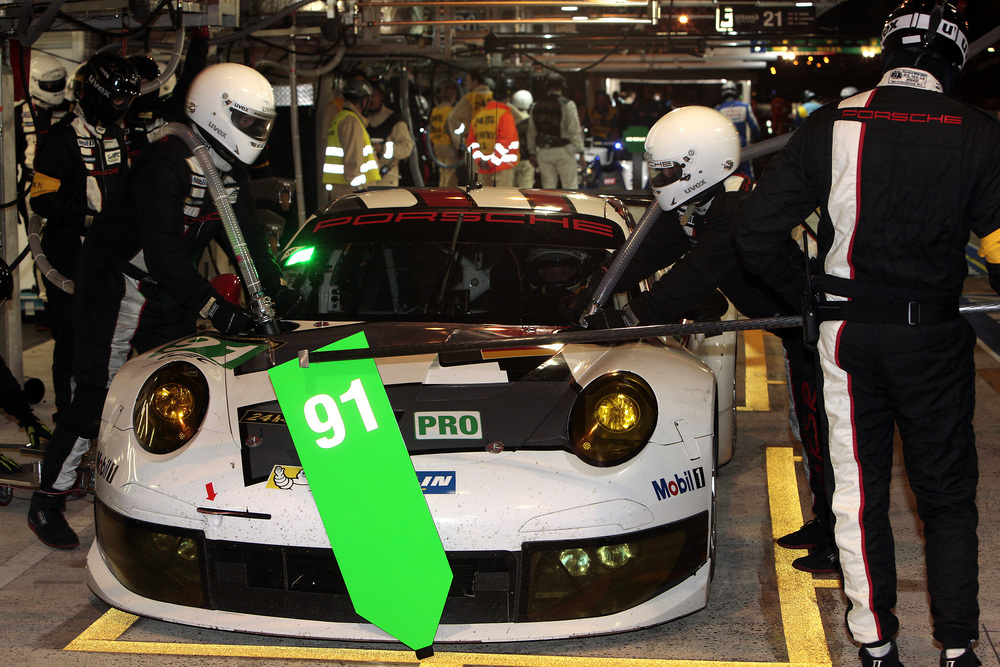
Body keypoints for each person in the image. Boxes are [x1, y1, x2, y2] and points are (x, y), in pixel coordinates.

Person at [734, 3, 998, 665]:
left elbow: (755, 232)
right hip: (933, 339)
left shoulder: (832, 123)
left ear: (888, 52)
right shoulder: (979, 132)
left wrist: (809, 296)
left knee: (857, 492)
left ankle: (876, 644)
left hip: (847, 336)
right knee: (947, 497)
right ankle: (958, 647)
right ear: (954, 60)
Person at [26, 62, 293, 551]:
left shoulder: (225, 169)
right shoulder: (165, 162)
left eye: (262, 125)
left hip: (165, 289)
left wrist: (282, 293)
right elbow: (163, 249)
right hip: (116, 285)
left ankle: (163, 497)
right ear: (215, 113)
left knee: (178, 391)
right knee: (95, 395)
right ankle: (48, 498)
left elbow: (248, 241)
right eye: (248, 122)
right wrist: (214, 308)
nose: (256, 133)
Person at [578, 107, 833, 575]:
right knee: (810, 432)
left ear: (701, 165)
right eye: (658, 171)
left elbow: (694, 276)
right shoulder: (701, 203)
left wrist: (624, 318)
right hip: (797, 331)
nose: (661, 181)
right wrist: (586, 284)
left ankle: (838, 537)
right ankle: (827, 522)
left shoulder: (738, 207)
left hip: (824, 334)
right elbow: (639, 256)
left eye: (668, 171)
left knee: (824, 435)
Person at [29, 53, 139, 424]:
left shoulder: (117, 134)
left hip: (110, 257)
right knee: (73, 340)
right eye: (119, 98)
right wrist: (91, 220)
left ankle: (103, 415)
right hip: (69, 259)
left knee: (111, 338)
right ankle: (69, 417)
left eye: (128, 99)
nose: (123, 106)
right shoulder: (61, 139)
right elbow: (42, 199)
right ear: (97, 93)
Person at [16, 53, 71, 226]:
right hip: (32, 184)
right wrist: (14, 195)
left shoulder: (73, 110)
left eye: (59, 83)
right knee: (36, 236)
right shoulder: (19, 113)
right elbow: (11, 159)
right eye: (49, 85)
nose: (55, 88)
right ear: (34, 82)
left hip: (66, 184)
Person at [323, 77, 380, 200]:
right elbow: (353, 163)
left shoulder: (341, 118)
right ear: (364, 100)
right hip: (351, 191)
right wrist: (360, 192)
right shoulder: (351, 122)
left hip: (343, 189)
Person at [526, 72, 584, 189]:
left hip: (543, 151)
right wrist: (581, 151)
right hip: (564, 150)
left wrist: (532, 153)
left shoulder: (536, 105)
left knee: (548, 188)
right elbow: (574, 130)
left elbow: (531, 132)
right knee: (570, 187)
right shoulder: (568, 105)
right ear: (563, 86)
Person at [466, 76, 520, 187]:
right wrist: (492, 161)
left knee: (484, 196)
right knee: (503, 197)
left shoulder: (478, 116)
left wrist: (480, 160)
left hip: (482, 167)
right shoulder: (505, 116)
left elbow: (471, 142)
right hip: (503, 167)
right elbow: (506, 142)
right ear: (507, 99)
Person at [366, 78, 414, 188]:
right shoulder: (360, 121)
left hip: (387, 178)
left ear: (381, 96)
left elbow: (406, 148)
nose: (371, 99)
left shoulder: (394, 121)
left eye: (374, 95)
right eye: (368, 96)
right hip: (366, 179)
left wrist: (382, 148)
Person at [715, 81, 761, 179]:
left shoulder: (718, 110)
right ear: (735, 92)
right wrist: (758, 138)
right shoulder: (745, 107)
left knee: (728, 173)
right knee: (747, 173)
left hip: (727, 147)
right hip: (743, 145)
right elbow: (754, 126)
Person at [446, 69, 492, 158]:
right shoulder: (494, 98)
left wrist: (464, 134)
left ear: (475, 81)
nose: (466, 83)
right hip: (493, 144)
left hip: (475, 145)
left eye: (467, 80)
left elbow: (452, 117)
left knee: (474, 167)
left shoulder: (469, 99)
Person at [429, 80, 461, 186]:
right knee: (450, 176)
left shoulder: (435, 110)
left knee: (442, 174)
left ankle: (441, 193)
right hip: (449, 146)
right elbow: (453, 131)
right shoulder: (451, 111)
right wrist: (459, 148)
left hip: (437, 146)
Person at [509, 89, 536, 188]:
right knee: (525, 191)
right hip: (527, 160)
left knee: (510, 190)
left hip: (511, 160)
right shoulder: (531, 121)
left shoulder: (508, 118)